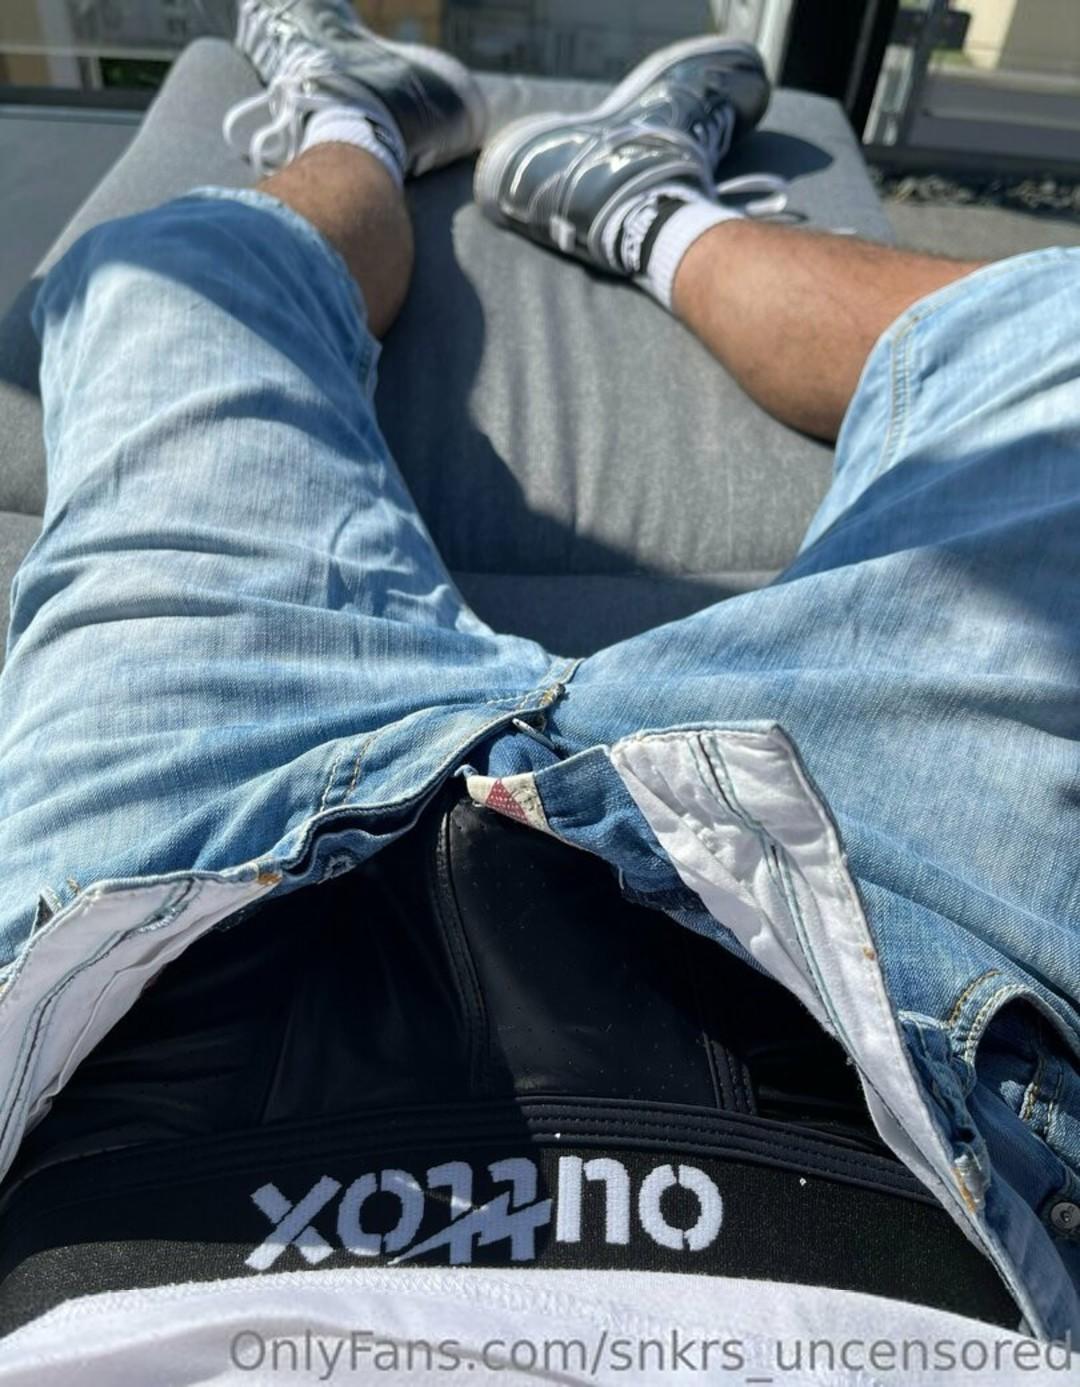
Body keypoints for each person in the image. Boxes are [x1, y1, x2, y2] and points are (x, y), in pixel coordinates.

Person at [0, 0, 1077, 1376]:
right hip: (866, 954)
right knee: (1056, 328)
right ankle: (648, 206)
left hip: (153, 937)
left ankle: (361, 125)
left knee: (161, 274)